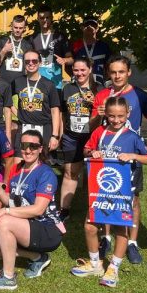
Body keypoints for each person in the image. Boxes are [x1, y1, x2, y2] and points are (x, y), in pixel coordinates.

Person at [90, 54, 147, 264]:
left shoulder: (140, 96)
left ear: (129, 72)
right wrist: (98, 114)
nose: (117, 76)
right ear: (108, 73)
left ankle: (132, 243)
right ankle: (105, 237)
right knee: (105, 196)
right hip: (106, 156)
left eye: (121, 72)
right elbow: (91, 127)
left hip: (130, 157)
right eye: (113, 72)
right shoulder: (102, 94)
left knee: (133, 200)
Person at [71, 97, 147, 288]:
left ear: (128, 114)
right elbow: (86, 149)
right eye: (111, 116)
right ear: (105, 115)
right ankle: (95, 264)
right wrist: (92, 153)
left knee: (120, 228)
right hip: (99, 189)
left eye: (120, 116)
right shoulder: (99, 131)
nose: (116, 120)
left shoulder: (132, 137)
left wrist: (133, 156)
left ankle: (114, 268)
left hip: (122, 191)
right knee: (90, 226)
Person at [0, 130, 66, 290]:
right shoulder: (17, 171)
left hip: (47, 229)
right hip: (27, 225)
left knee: (4, 221)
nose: (28, 150)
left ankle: (8, 278)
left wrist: (5, 212)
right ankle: (37, 257)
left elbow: (38, 210)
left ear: (41, 149)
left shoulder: (46, 173)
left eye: (33, 146)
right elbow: (13, 202)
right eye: (24, 145)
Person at [57, 56, 99, 219]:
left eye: (83, 70)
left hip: (92, 137)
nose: (79, 73)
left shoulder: (99, 89)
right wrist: (60, 134)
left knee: (95, 174)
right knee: (70, 172)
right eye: (76, 70)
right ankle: (64, 210)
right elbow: (62, 114)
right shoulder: (67, 89)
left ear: (90, 69)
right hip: (71, 136)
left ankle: (96, 209)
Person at [11, 48, 62, 155]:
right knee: (18, 162)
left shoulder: (49, 84)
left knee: (40, 164)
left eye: (34, 61)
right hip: (24, 127)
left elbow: (55, 111)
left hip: (44, 128)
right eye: (27, 61)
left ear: (40, 62)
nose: (31, 63)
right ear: (23, 63)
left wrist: (54, 136)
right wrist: (18, 114)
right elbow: (6, 100)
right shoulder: (17, 81)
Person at [27, 5, 73, 89]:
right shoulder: (32, 38)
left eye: (47, 17)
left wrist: (64, 60)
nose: (45, 20)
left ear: (52, 18)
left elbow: (71, 60)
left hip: (56, 82)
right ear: (38, 19)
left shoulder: (60, 37)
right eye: (42, 18)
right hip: (38, 82)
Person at [71, 17, 113, 85]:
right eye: (87, 25)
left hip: (99, 84)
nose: (90, 27)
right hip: (79, 84)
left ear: (97, 28)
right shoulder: (75, 46)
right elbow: (69, 66)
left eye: (93, 25)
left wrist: (106, 79)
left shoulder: (104, 46)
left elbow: (110, 65)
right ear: (82, 28)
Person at [0, 15, 28, 85]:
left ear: (24, 28)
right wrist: (4, 51)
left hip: (20, 82)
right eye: (15, 27)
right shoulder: (3, 41)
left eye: (20, 28)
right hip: (3, 81)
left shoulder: (28, 45)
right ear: (11, 27)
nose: (18, 30)